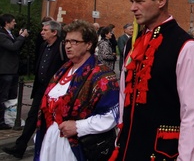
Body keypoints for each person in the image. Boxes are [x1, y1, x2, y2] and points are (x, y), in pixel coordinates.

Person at [114, 0, 194, 160]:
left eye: (139, 1)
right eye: (131, 1)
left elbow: (192, 112)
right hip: (130, 150)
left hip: (164, 154)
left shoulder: (185, 47)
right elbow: (124, 96)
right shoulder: (132, 43)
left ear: (161, 0)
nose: (132, 8)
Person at [33, 19, 119, 160]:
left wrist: (79, 126)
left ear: (88, 44)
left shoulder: (102, 75)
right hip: (51, 141)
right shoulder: (62, 70)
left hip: (77, 146)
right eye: (66, 41)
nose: (68, 46)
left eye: (74, 42)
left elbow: (111, 115)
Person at [3, 20, 67, 158]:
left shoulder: (62, 47)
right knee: (32, 117)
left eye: (45, 30)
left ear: (54, 32)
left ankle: (52, 149)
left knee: (53, 119)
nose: (42, 32)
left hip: (55, 90)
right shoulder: (44, 45)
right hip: (40, 88)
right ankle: (20, 147)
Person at [0, 13, 28, 130]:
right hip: (5, 70)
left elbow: (15, 45)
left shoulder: (9, 34)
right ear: (7, 22)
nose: (15, 23)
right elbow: (13, 47)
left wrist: (20, 37)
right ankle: (1, 121)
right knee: (3, 96)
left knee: (11, 96)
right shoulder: (1, 35)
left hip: (11, 70)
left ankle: (8, 118)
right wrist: (21, 37)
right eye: (13, 21)